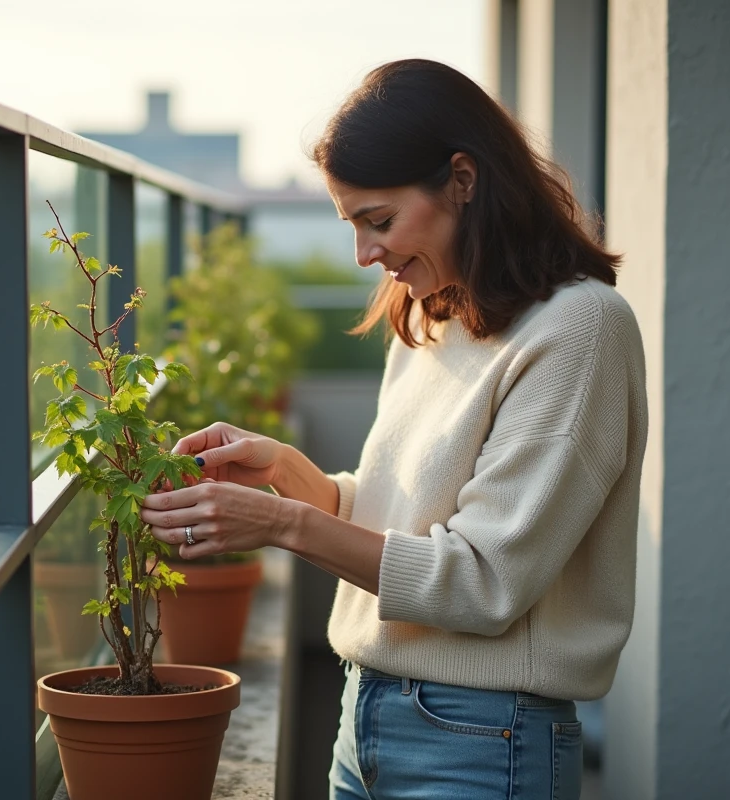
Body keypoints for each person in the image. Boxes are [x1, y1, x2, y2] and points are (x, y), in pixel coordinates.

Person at [140, 59, 647, 800]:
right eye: (352, 225)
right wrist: (290, 474)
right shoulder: (437, 313)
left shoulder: (581, 330)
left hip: (481, 742)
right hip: (367, 716)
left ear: (463, 181)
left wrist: (283, 523)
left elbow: (480, 583)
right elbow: (405, 525)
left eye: (379, 221)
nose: (364, 254)